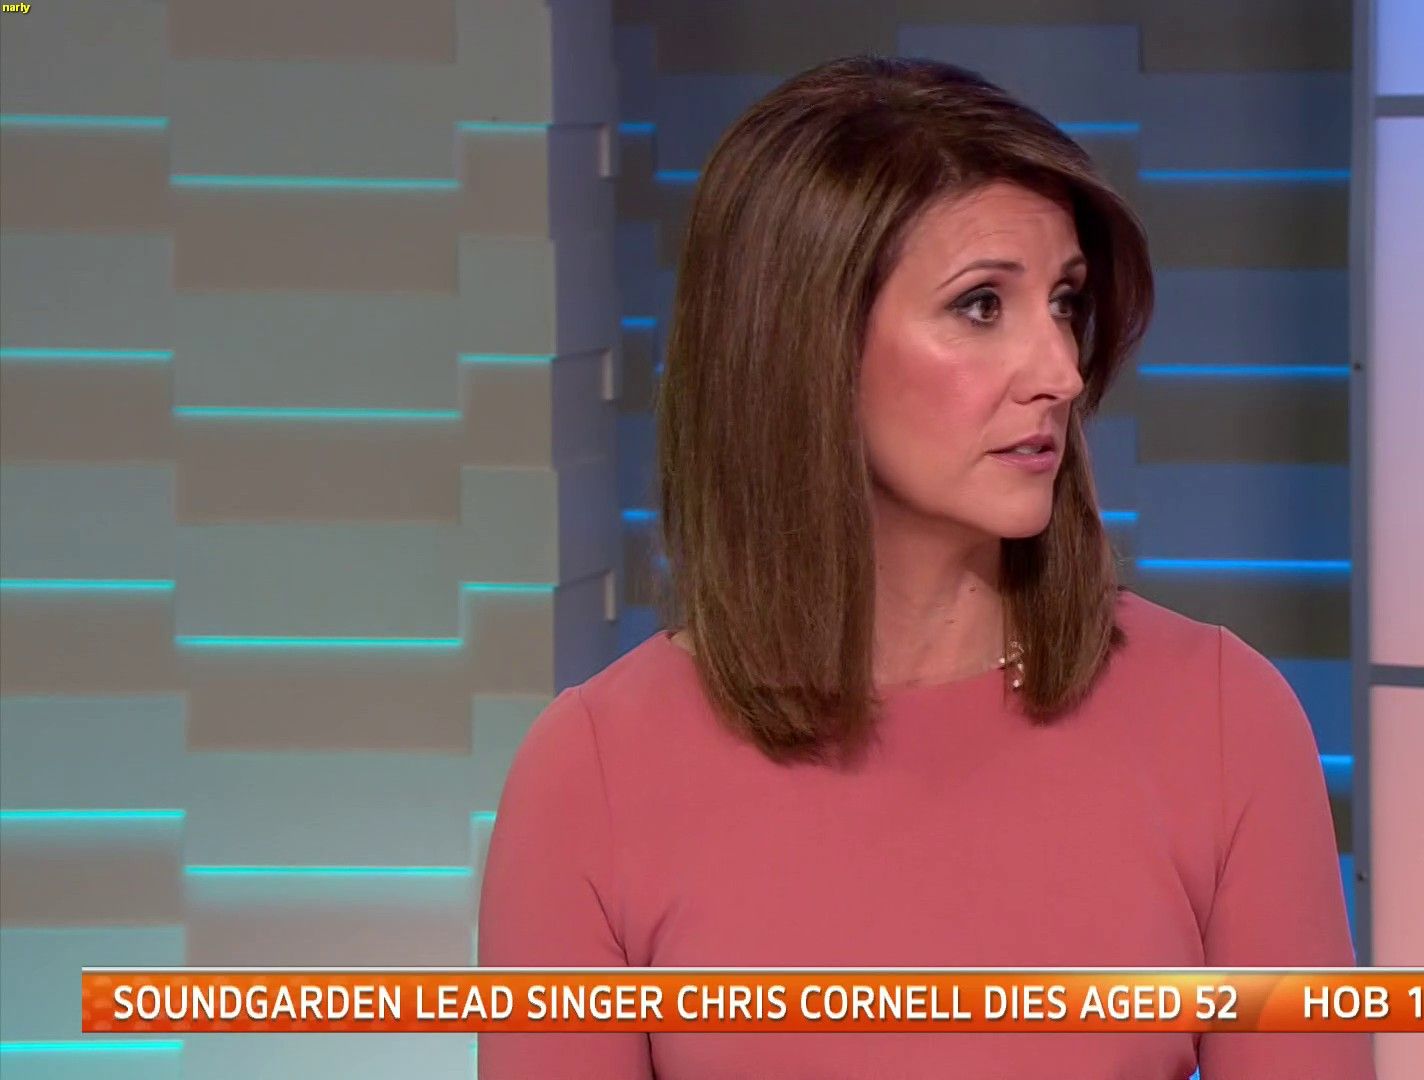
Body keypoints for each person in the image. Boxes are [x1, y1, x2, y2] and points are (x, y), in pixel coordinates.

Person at [479, 54, 1372, 1079]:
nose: (1061, 372)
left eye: (1064, 303)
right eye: (982, 306)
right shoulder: (592, 779)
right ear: (806, 347)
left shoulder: (1222, 722)